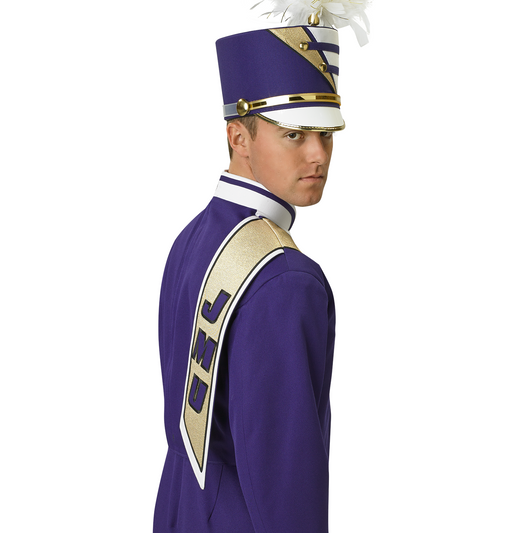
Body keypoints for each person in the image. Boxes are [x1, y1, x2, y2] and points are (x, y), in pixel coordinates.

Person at [153, 7, 368, 531]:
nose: (318, 155)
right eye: (294, 134)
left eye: (327, 134)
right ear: (239, 137)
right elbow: (285, 483)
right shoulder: (287, 280)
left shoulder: (191, 239)